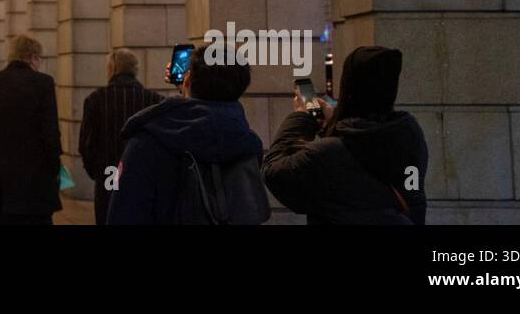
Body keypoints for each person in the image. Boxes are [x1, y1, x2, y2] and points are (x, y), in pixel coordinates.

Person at [262, 45, 429, 225]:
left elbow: (274, 172)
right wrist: (334, 123)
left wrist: (301, 116)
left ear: (348, 86)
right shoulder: (408, 135)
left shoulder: (328, 153)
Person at [107, 48, 269, 225]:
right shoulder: (249, 144)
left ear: (188, 79)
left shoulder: (148, 141)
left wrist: (188, 91)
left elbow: (123, 212)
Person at [0, 34, 62, 225]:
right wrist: (54, 165)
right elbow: (50, 132)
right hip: (34, 180)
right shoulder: (43, 83)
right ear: (33, 57)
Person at [78, 48, 163, 224]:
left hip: (108, 174)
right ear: (135, 70)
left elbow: (86, 144)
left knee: (107, 217)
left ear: (112, 69)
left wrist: (97, 172)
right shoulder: (154, 100)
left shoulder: (95, 99)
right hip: (143, 176)